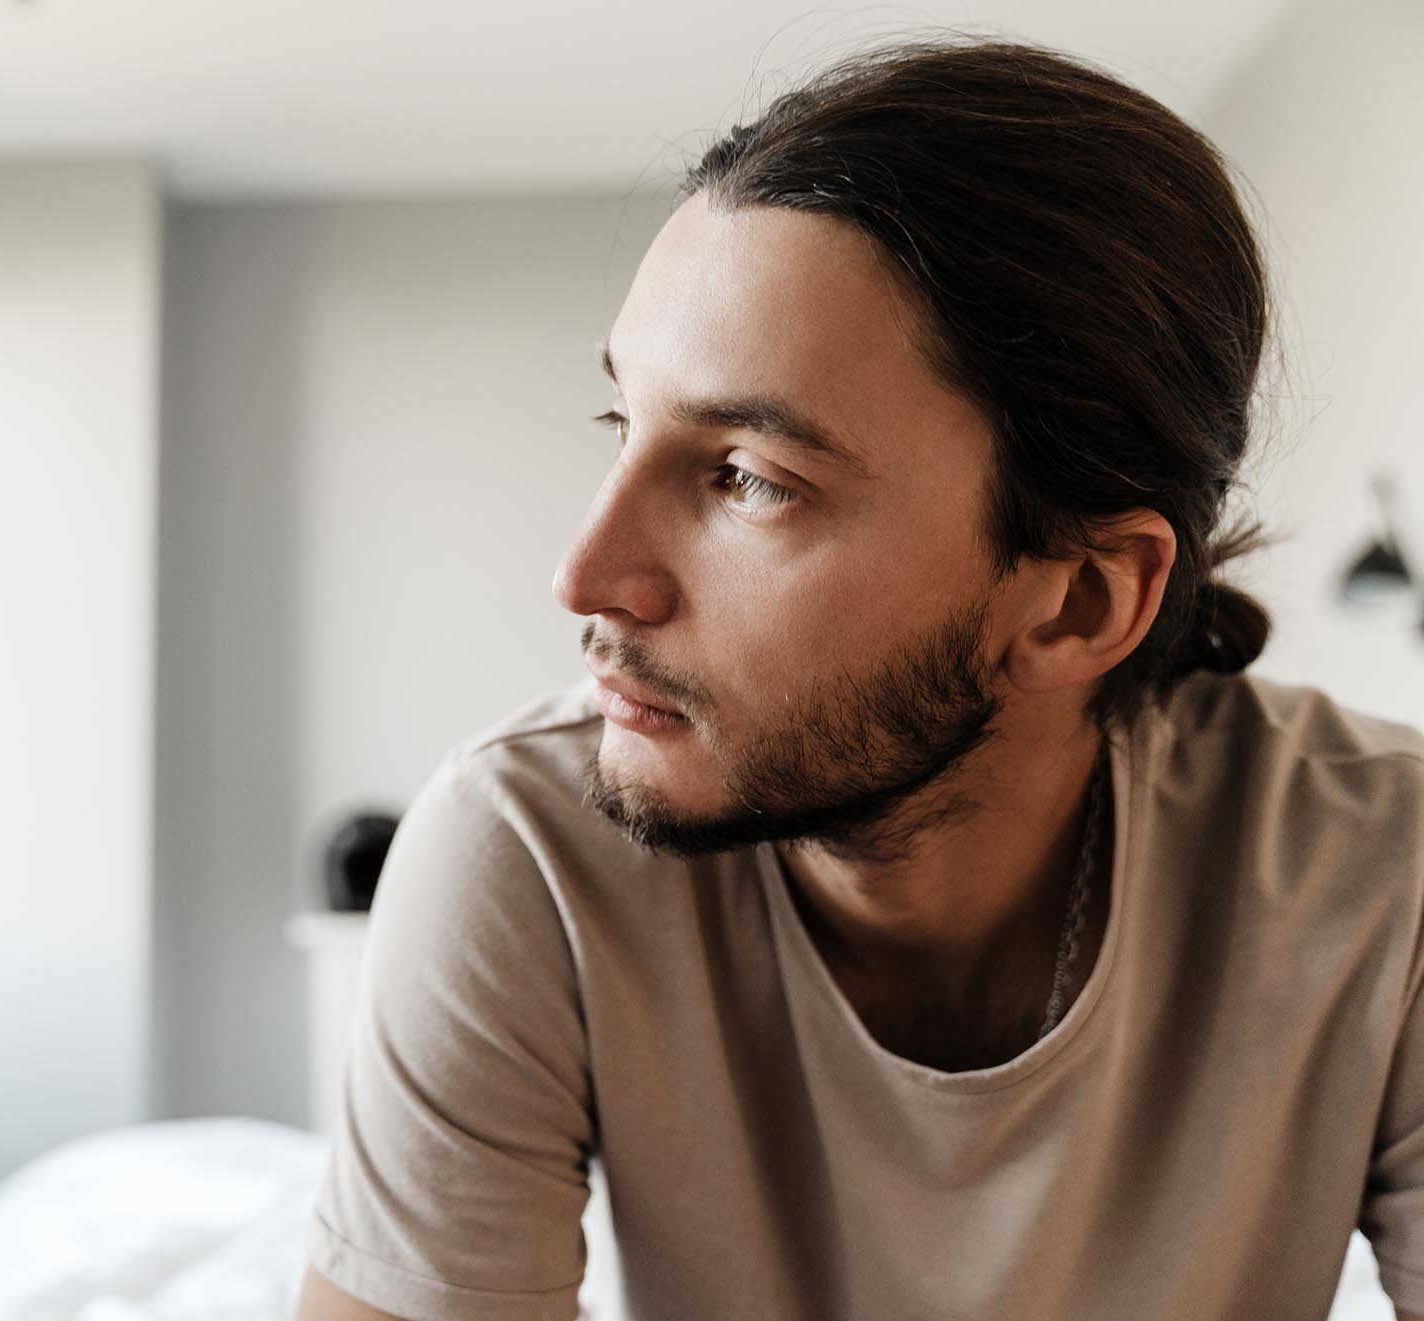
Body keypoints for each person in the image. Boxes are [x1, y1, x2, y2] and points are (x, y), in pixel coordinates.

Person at [295, 34, 1424, 1321]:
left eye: (749, 478)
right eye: (626, 425)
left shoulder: (1384, 873)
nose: (589, 574)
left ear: (1078, 599)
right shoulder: (528, 847)